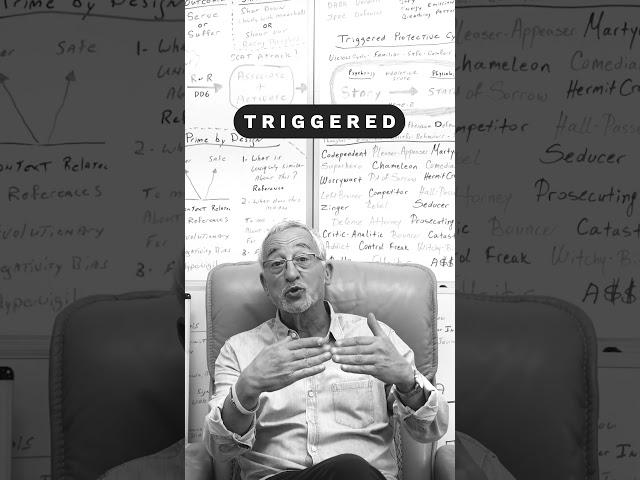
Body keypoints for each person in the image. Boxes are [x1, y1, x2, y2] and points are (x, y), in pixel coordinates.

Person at [203, 220, 449, 480]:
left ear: (327, 272)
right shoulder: (239, 350)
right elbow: (220, 449)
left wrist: (408, 382)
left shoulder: (374, 339)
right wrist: (247, 388)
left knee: (351, 470)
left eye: (302, 259)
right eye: (277, 263)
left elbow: (431, 429)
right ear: (265, 284)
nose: (291, 274)